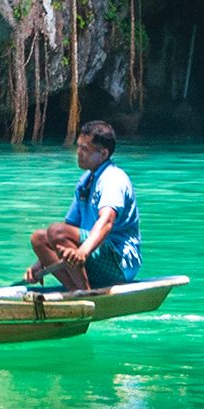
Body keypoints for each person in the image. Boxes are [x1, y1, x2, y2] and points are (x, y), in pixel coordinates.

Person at [25, 120, 140, 291]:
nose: (78, 153)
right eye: (78, 147)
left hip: (119, 263)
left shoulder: (113, 179)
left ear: (103, 153)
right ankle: (76, 291)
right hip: (91, 255)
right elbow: (69, 226)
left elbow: (107, 221)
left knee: (56, 231)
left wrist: (83, 251)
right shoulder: (86, 180)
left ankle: (85, 293)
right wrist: (41, 263)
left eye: (85, 149)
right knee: (39, 238)